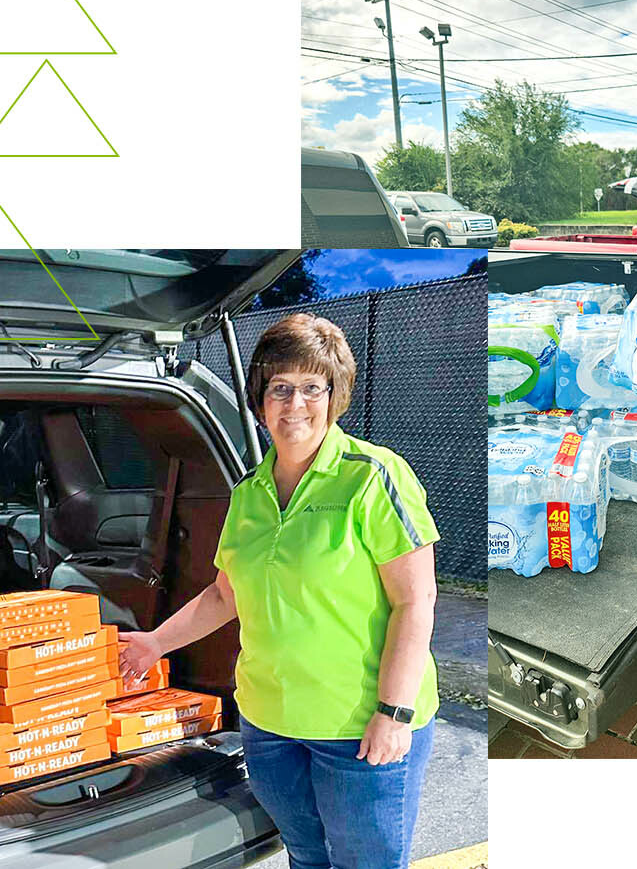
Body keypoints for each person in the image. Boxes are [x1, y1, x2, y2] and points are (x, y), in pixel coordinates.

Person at [118, 313, 440, 866]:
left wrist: (395, 711)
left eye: (312, 388)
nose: (295, 405)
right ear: (260, 400)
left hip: (358, 728)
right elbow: (224, 595)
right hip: (270, 727)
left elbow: (416, 601)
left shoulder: (372, 476)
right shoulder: (248, 493)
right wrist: (155, 644)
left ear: (334, 396)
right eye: (280, 389)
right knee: (307, 857)